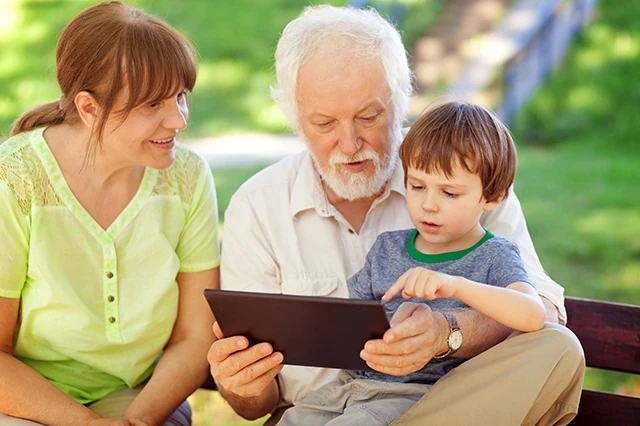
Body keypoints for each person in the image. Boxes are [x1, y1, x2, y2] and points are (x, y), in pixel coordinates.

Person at [207, 5, 584, 426]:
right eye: (325, 123)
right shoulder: (258, 206)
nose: (349, 144)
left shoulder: (464, 172)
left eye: (369, 116)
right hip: (323, 410)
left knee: (559, 348)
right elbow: (255, 406)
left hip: (438, 405)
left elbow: (543, 313)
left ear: (401, 101)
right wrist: (245, 383)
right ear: (295, 121)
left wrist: (448, 332)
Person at [0, 2, 219, 426]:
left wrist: (135, 421)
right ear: (88, 108)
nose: (178, 119)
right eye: (152, 105)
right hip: (23, 400)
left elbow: (195, 338)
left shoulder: (189, 178)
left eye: (180, 96)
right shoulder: (14, 179)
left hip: (139, 398)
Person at [275, 100, 548, 425]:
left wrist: (456, 287)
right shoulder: (388, 248)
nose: (428, 205)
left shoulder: (495, 255)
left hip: (413, 398)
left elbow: (533, 314)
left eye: (449, 193)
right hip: (348, 389)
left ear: (492, 196)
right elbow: (351, 318)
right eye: (417, 186)